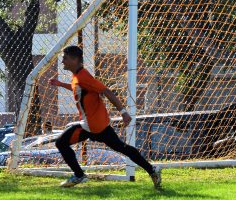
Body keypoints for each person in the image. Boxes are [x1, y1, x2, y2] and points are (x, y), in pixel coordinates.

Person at [49, 45, 161, 189]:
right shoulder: (78, 76)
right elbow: (78, 88)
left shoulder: (83, 76)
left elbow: (107, 91)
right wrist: (60, 84)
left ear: (75, 59)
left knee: (61, 142)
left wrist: (123, 112)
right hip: (95, 124)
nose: (63, 61)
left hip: (92, 125)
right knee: (122, 147)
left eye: (65, 58)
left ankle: (79, 175)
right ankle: (152, 170)